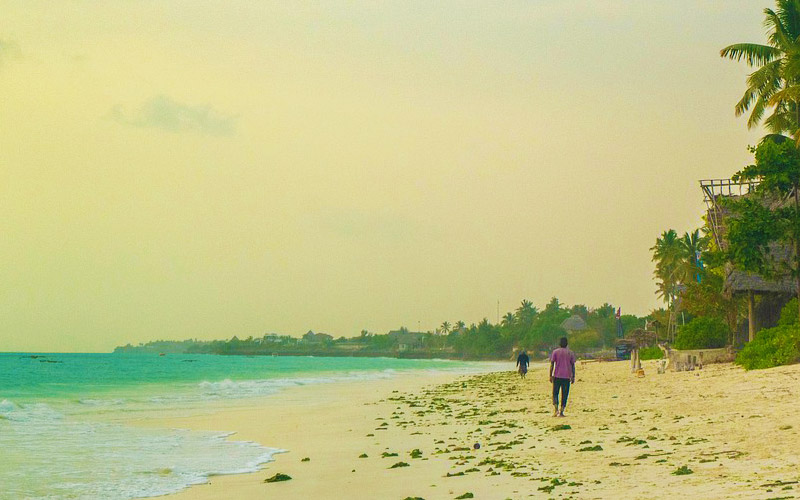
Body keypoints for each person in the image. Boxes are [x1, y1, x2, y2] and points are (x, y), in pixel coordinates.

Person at [549, 337, 576, 417]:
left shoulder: (555, 352)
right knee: (565, 394)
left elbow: (552, 364)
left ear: (559, 344)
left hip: (557, 375)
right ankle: (561, 411)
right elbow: (573, 365)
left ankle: (556, 409)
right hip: (566, 376)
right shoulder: (570, 353)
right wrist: (573, 376)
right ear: (567, 344)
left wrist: (550, 375)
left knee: (555, 393)